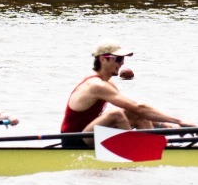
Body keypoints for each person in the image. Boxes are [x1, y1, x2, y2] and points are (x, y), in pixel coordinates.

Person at [60, 43, 190, 148]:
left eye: (123, 59)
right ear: (103, 59)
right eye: (119, 59)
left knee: (134, 113)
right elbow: (139, 106)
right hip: (73, 140)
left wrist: (164, 126)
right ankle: (135, 151)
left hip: (89, 134)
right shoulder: (96, 85)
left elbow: (135, 110)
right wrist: (179, 121)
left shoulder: (108, 83)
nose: (122, 63)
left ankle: (153, 148)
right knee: (116, 114)